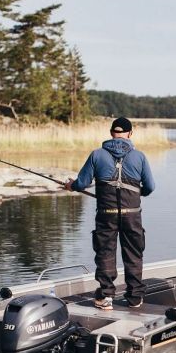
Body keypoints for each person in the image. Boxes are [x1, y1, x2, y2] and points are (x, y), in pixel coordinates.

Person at [65, 117, 155, 310]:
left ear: (111, 132)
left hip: (106, 214)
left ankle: (106, 297)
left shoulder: (97, 155)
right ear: (130, 134)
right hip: (132, 215)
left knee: (105, 253)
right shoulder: (139, 157)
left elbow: (81, 184)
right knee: (133, 254)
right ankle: (135, 298)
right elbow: (150, 187)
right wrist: (140, 192)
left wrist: (71, 186)